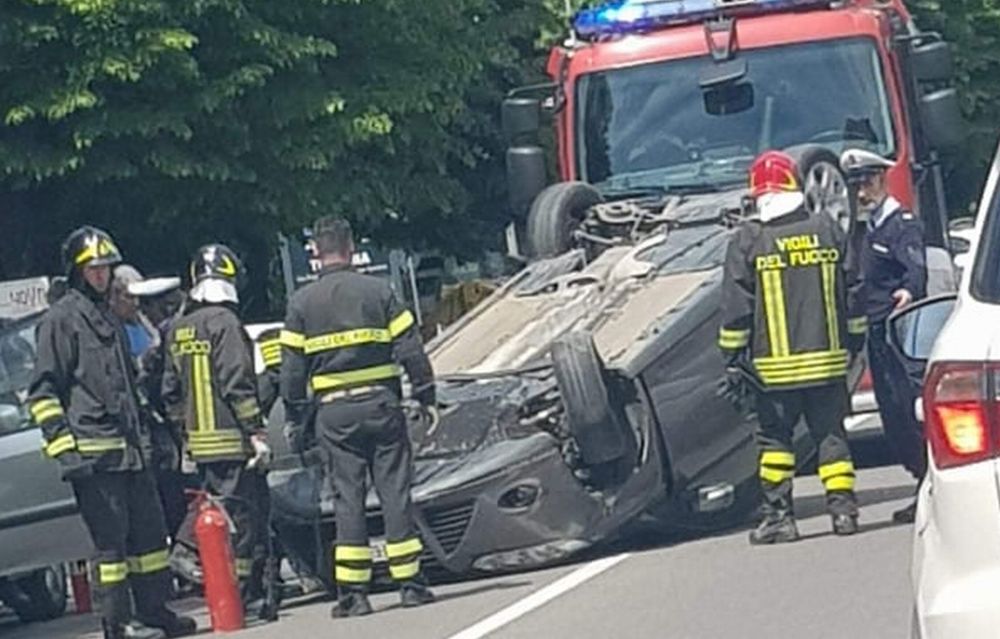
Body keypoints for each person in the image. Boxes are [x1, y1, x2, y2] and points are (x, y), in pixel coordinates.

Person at [28, 226, 196, 639]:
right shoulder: (61, 321)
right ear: (77, 271)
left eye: (106, 268)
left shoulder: (108, 318)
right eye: (94, 269)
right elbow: (44, 391)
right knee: (111, 549)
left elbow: (125, 388)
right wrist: (67, 450)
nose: (103, 276)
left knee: (150, 541)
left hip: (132, 451)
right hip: (95, 456)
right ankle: (117, 624)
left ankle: (156, 611)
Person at [280, 216, 436, 617]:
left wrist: (297, 415)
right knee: (394, 493)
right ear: (351, 248)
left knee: (346, 498)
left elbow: (292, 373)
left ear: (315, 252)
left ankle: (354, 595)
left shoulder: (301, 303)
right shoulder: (379, 291)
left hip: (333, 415)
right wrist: (425, 394)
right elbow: (411, 350)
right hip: (382, 407)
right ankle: (412, 585)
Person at [718, 151, 867, 545]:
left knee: (775, 444)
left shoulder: (748, 240)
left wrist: (732, 358)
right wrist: (854, 340)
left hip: (773, 372)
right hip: (829, 363)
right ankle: (844, 512)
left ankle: (780, 519)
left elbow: (736, 308)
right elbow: (853, 290)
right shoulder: (828, 230)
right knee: (831, 437)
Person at [162, 244, 271, 608]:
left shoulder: (179, 328)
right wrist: (255, 430)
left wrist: (186, 436)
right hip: (229, 438)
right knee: (239, 514)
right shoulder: (225, 323)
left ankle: (191, 554)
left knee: (214, 503)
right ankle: (239, 591)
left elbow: (170, 391)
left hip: (198, 441)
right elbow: (237, 381)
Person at [841, 148, 929, 524]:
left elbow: (916, 271)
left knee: (910, 409)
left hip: (898, 332)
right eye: (856, 184)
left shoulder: (901, 223)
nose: (862, 191)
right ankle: (920, 481)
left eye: (867, 182)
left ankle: (929, 486)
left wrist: (908, 292)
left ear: (882, 179)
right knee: (892, 415)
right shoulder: (867, 226)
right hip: (875, 334)